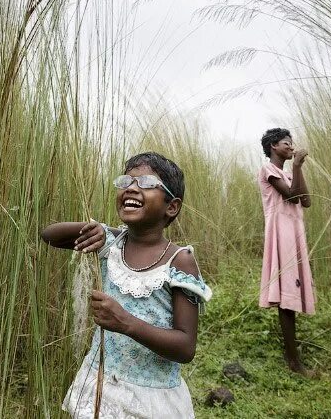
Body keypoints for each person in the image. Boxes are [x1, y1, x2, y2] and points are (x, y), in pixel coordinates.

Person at [41, 152, 212, 418]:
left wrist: (126, 323)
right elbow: (49, 235)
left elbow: (185, 347)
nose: (131, 188)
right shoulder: (110, 243)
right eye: (126, 182)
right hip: (101, 384)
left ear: (172, 206)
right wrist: (91, 227)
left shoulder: (180, 261)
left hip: (149, 397)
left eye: (146, 183)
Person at [257, 127, 316, 375]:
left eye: (292, 142)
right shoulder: (268, 169)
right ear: (273, 146)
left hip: (294, 233)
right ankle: (294, 362)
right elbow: (291, 197)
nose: (291, 146)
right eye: (285, 142)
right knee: (285, 298)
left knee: (290, 295)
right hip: (280, 235)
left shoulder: (289, 174)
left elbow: (306, 200)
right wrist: (298, 167)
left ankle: (294, 358)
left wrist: (297, 171)